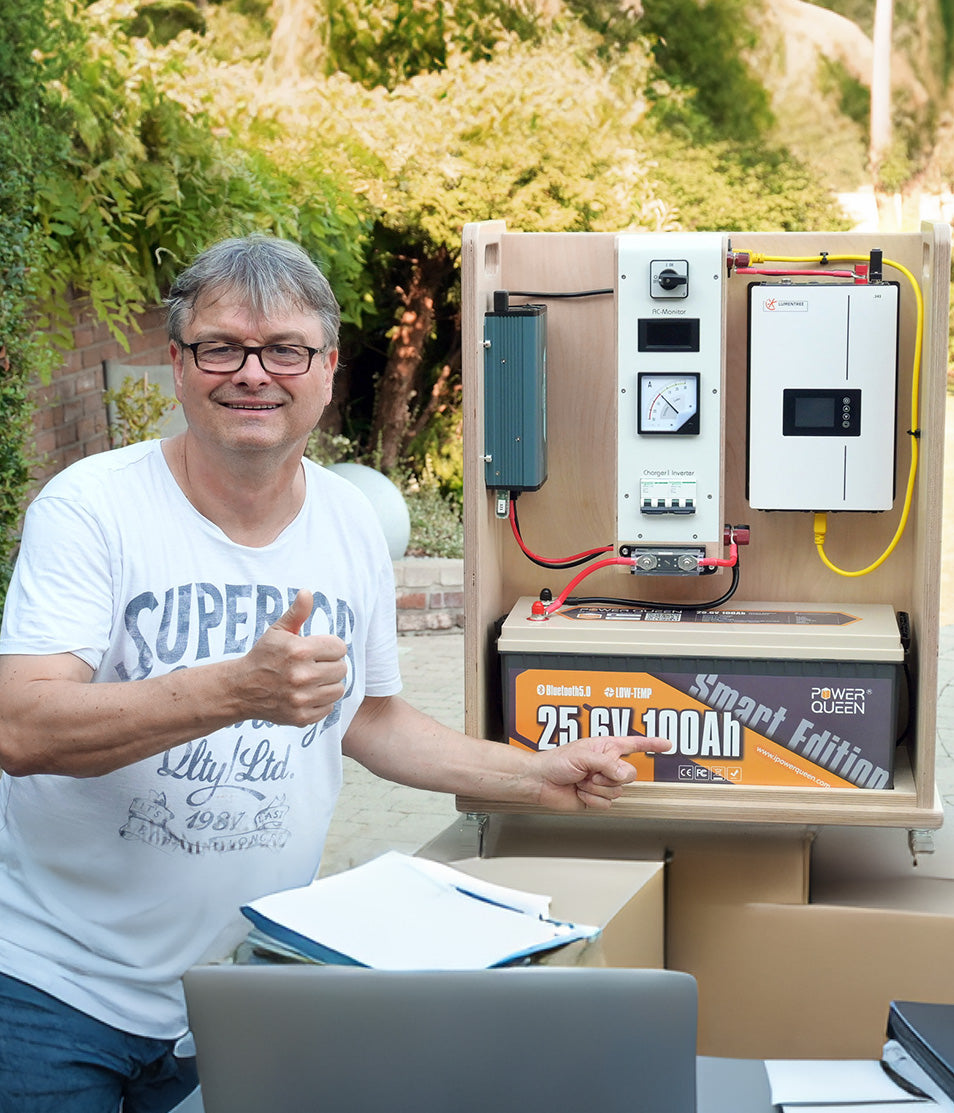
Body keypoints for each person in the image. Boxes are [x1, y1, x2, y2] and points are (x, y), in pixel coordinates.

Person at [0, 235, 666, 1112]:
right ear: (177, 363)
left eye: (285, 349)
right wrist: (236, 691)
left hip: (241, 987)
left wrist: (533, 774)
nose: (253, 373)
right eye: (221, 347)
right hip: (53, 993)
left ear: (327, 368)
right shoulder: (93, 508)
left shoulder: (350, 520)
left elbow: (370, 717)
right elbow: (20, 726)